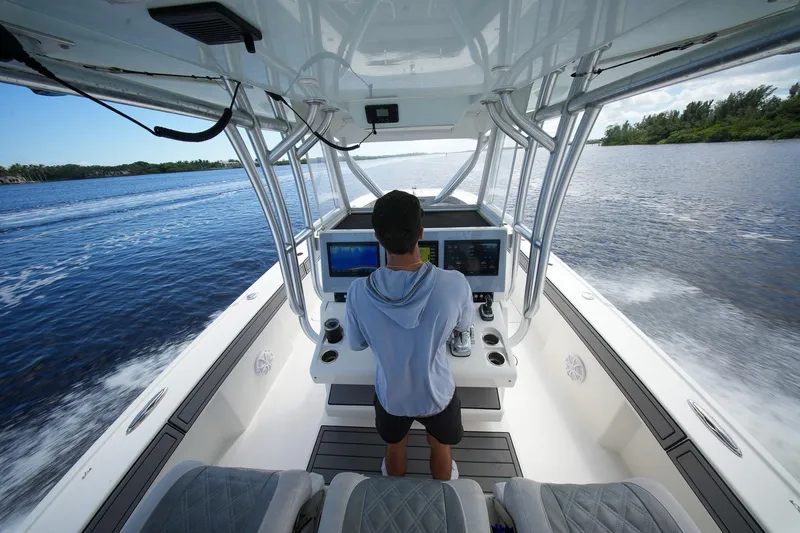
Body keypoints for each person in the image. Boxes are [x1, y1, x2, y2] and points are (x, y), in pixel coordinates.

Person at [345, 190, 474, 480]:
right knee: (441, 446)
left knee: (394, 446)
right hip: (437, 394)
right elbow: (464, 326)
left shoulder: (357, 292)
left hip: (392, 396)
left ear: (378, 237)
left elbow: (356, 343)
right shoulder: (454, 284)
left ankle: (395, 491)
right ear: (421, 233)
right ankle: (444, 492)